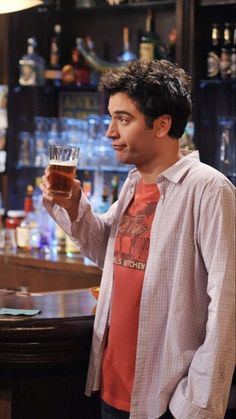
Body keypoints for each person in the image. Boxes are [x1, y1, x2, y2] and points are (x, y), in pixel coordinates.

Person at [40, 59, 235, 419]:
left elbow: (227, 304)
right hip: (114, 389)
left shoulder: (209, 189)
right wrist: (72, 204)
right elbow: (106, 251)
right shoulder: (134, 183)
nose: (110, 131)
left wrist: (195, 405)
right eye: (111, 118)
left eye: (123, 119)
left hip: (167, 398)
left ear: (162, 125)